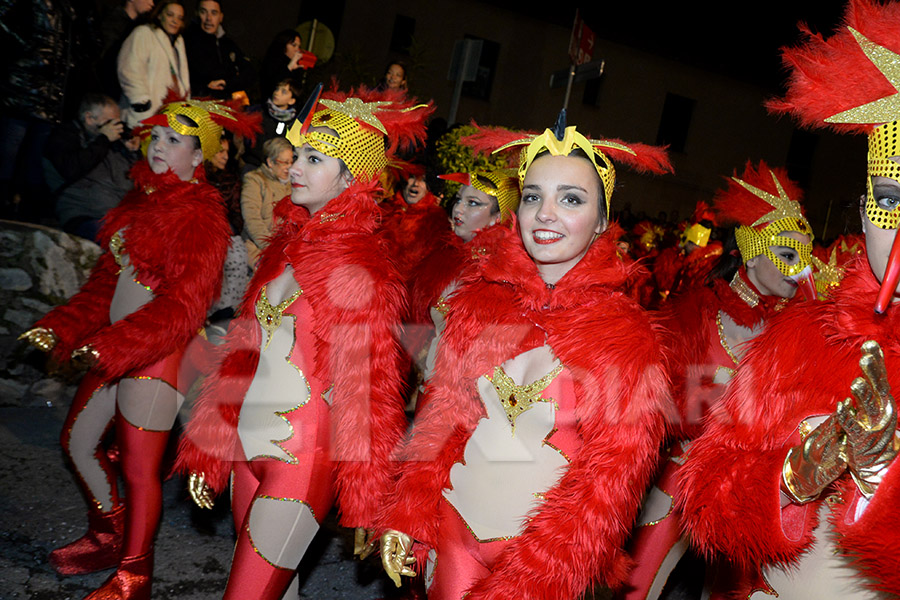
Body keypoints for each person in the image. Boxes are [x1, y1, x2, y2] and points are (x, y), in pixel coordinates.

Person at [377, 113, 674, 600]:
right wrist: (407, 513)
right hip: (451, 534)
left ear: (601, 221)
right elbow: (441, 420)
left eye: (571, 199)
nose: (545, 213)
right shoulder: (481, 303)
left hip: (539, 571)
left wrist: (539, 579)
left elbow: (607, 494)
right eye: (533, 196)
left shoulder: (628, 340)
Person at [677, 1, 900, 596]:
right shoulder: (796, 337)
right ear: (863, 213)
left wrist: (884, 485)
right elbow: (709, 501)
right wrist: (793, 478)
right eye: (892, 198)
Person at [174, 88, 433, 599]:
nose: (295, 165)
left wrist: (367, 500)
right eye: (299, 154)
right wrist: (211, 444)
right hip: (248, 442)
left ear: (351, 178)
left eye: (315, 159)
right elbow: (242, 357)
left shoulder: (363, 269)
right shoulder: (281, 250)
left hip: (299, 458)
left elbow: (369, 393)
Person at [19, 98, 259, 600]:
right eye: (158, 136)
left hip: (158, 355)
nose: (160, 146)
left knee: (138, 468)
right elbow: (106, 283)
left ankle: (135, 575)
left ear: (199, 158)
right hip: (115, 348)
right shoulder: (138, 203)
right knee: (77, 441)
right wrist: (62, 327)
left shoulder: (202, 218)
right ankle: (108, 535)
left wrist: (115, 345)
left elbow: (182, 308)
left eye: (176, 141)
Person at [623, 161, 816, 600]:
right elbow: (650, 408)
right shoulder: (693, 316)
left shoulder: (791, 334)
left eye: (807, 256)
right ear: (750, 251)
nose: (800, 268)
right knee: (638, 589)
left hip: (747, 493)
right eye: (788, 255)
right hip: (678, 480)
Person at [43, 93, 140, 241]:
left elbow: (134, 177)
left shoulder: (113, 142)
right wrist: (103, 139)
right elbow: (72, 168)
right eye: (109, 122)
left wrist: (133, 151)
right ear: (89, 118)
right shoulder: (64, 136)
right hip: (84, 215)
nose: (114, 128)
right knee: (122, 243)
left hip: (121, 216)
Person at [117, 0, 190, 127]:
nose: (175, 21)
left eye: (179, 18)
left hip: (169, 115)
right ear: (159, 15)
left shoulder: (178, 42)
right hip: (145, 115)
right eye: (170, 15)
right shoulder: (143, 33)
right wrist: (141, 102)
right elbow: (129, 70)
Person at [183, 0, 255, 102]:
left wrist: (226, 83)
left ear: (221, 17)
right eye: (204, 12)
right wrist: (205, 86)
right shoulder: (186, 41)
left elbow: (249, 73)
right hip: (196, 105)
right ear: (197, 14)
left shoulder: (228, 44)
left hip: (225, 106)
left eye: (214, 13)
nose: (209, 18)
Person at [240, 136, 292, 267]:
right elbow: (252, 219)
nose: (289, 167)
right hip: (258, 248)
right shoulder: (255, 180)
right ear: (270, 162)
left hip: (286, 251)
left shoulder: (293, 184)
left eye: (291, 162)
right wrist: (271, 248)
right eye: (284, 162)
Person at [97, 0, 156, 100]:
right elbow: (106, 59)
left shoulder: (144, 26)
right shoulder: (113, 22)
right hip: (110, 90)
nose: (151, 3)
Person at [243, 78, 300, 168]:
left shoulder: (294, 123)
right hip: (254, 165)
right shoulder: (258, 112)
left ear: (292, 100)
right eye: (277, 89)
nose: (277, 93)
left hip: (278, 169)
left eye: (284, 92)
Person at [258, 29, 316, 102]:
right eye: (293, 45)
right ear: (283, 45)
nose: (297, 49)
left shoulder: (297, 66)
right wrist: (289, 68)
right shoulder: (272, 62)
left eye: (298, 46)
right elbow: (272, 85)